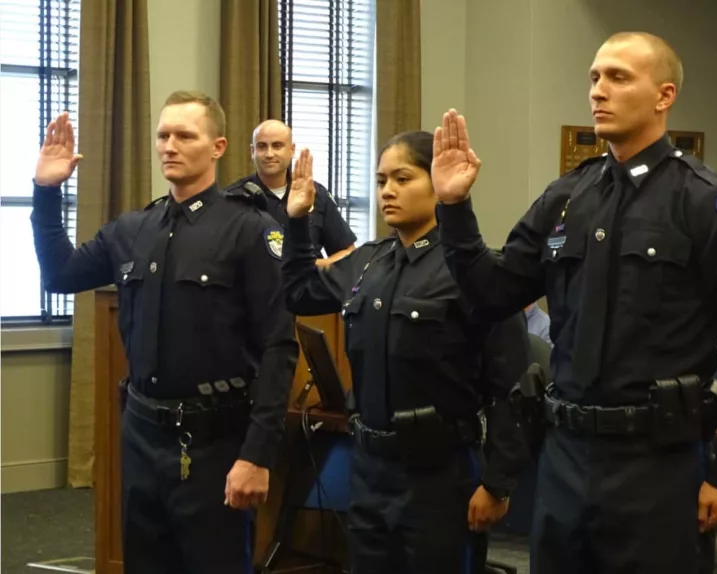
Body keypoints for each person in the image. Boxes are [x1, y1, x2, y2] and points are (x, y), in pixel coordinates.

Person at [430, 31, 717, 573]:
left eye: (617, 77)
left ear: (664, 96)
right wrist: (454, 208)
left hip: (657, 464)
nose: (598, 91)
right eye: (593, 78)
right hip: (565, 455)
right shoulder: (567, 197)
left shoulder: (708, 203)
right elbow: (491, 295)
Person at [30, 91, 299, 574]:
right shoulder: (134, 228)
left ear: (217, 147)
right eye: (162, 135)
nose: (169, 146)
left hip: (216, 442)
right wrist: (47, 193)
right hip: (143, 435)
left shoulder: (248, 230)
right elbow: (61, 275)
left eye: (184, 135)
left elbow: (279, 347)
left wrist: (257, 455)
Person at [281, 132, 531, 573]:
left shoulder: (471, 270)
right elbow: (300, 291)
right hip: (371, 467)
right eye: (381, 182)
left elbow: (508, 384)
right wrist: (299, 221)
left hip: (440, 470)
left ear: (437, 182)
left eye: (402, 178)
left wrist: (498, 483)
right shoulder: (368, 262)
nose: (387, 192)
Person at [224, 119, 357, 266]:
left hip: (308, 286)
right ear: (252, 151)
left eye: (277, 146)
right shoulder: (233, 198)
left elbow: (348, 252)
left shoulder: (315, 194)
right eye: (262, 146)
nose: (269, 154)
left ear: (292, 150)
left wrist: (313, 267)